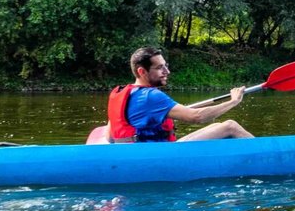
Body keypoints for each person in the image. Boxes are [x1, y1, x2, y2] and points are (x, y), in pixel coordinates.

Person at [107, 47, 254, 142]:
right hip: (159, 156)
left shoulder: (122, 92)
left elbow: (109, 135)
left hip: (137, 153)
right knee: (230, 126)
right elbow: (197, 117)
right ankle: (267, 157)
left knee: (217, 126)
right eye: (159, 68)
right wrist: (233, 101)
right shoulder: (151, 96)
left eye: (166, 66)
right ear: (142, 71)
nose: (167, 71)